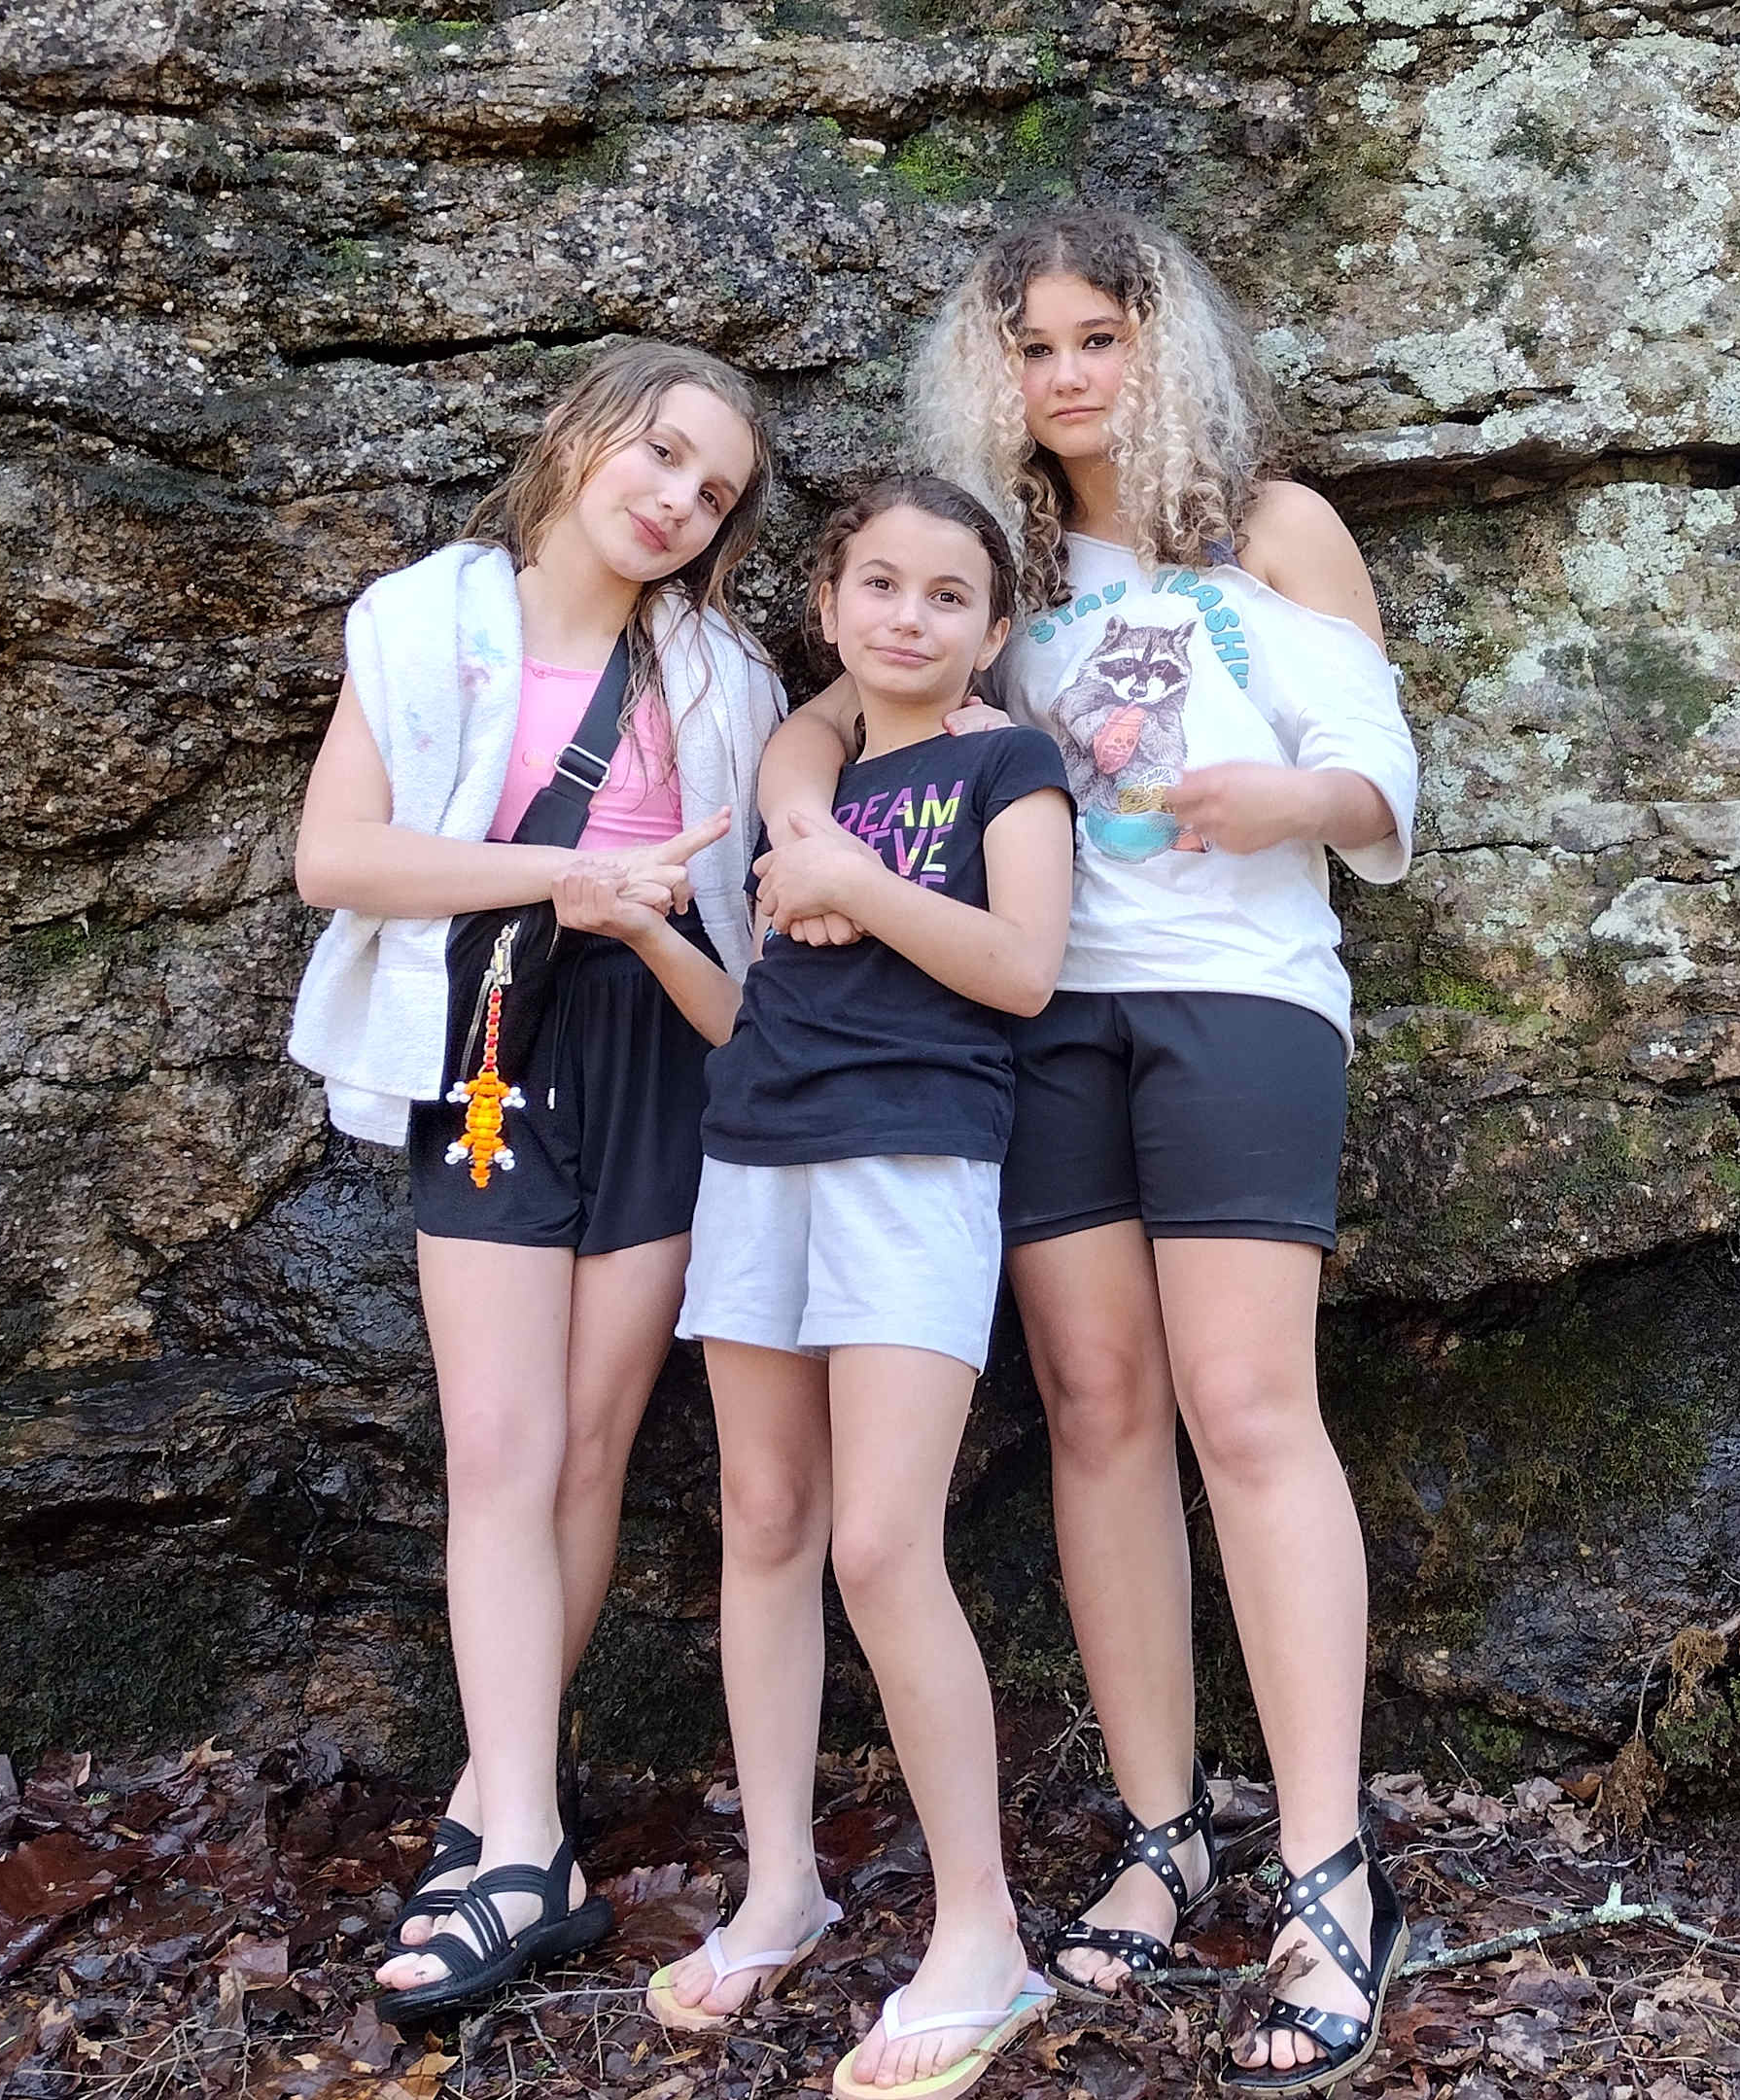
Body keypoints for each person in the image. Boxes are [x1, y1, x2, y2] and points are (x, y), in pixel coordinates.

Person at [758, 208, 1423, 2090]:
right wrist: (807, 829)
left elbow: (1380, 766)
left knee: (1247, 1404)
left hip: (1239, 999)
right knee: (1096, 1403)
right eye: (1032, 347)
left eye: (1099, 338)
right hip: (1040, 1017)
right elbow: (821, 726)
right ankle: (1161, 1830)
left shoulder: (1273, 530)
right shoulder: (998, 564)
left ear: (1163, 348)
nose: (1066, 376)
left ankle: (1329, 1875)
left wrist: (1286, 795)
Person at [285, 340, 780, 2019]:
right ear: (579, 434)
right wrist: (557, 875)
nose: (678, 501)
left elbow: (743, 894)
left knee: (586, 1445)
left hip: (656, 1046)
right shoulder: (425, 623)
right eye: (661, 454)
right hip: (493, 1030)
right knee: (497, 1444)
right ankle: (522, 1847)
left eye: (714, 492)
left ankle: (500, 1819)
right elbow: (336, 855)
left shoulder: (718, 673)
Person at [652, 477, 1077, 2100]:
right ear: (828, 608)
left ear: (993, 625)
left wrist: (849, 876)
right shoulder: (807, 773)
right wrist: (675, 927)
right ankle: (783, 1889)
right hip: (755, 1150)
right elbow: (753, 1002)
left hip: (914, 1159)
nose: (909, 615)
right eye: (878, 586)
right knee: (763, 1518)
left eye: (948, 594)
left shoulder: (1008, 765)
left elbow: (1023, 970)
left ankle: (982, 1936)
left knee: (884, 1542)